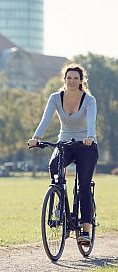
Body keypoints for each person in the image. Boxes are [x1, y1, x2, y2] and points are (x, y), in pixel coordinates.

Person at [28, 63, 98, 245]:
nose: (72, 81)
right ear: (64, 80)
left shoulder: (89, 100)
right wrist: (36, 137)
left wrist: (90, 136)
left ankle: (85, 231)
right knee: (54, 167)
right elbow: (46, 119)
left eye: (76, 78)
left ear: (81, 80)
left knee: (83, 186)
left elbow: (91, 121)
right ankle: (63, 209)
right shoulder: (55, 98)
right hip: (65, 143)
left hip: (86, 146)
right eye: (69, 78)